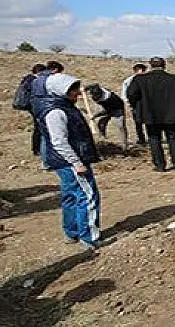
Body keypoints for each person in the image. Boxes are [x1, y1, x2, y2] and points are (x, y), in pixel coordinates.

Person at [34, 73, 102, 250]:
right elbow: (59, 141)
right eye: (73, 90)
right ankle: (89, 237)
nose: (77, 93)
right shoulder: (56, 112)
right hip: (70, 161)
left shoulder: (61, 106)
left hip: (64, 161)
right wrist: (77, 162)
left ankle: (72, 232)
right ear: (61, 91)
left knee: (71, 195)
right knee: (87, 196)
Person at [127, 57, 175, 172]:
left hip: (150, 114)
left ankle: (160, 165)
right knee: (173, 138)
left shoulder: (140, 80)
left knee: (154, 139)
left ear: (150, 66)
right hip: (172, 114)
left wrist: (139, 107)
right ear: (164, 65)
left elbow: (131, 95)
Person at [30, 60, 64, 167]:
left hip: (38, 109)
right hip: (49, 109)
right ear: (55, 70)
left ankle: (46, 161)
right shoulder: (50, 80)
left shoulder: (37, 79)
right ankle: (49, 162)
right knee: (49, 136)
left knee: (44, 134)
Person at [13, 64, 46, 156]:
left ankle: (36, 149)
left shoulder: (28, 79)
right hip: (33, 106)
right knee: (39, 127)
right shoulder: (33, 81)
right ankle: (37, 149)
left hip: (30, 106)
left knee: (38, 127)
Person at [85, 83, 128, 151]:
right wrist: (84, 89)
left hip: (117, 109)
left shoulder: (110, 98)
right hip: (106, 107)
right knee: (101, 123)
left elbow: (106, 111)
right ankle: (103, 140)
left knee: (121, 126)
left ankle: (124, 146)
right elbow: (92, 85)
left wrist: (95, 116)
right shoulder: (95, 89)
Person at [121, 63, 148, 146]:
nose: (142, 72)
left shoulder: (147, 79)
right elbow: (124, 93)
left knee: (148, 122)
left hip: (146, 104)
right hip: (135, 105)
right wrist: (129, 104)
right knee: (138, 123)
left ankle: (151, 138)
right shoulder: (128, 81)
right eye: (140, 70)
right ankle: (141, 139)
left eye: (143, 70)